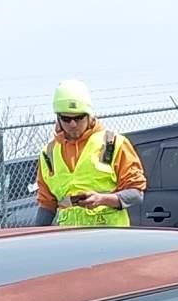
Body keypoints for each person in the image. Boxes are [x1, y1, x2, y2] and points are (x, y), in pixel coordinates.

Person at [34, 80, 146, 228]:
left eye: (79, 117)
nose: (73, 124)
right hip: (70, 240)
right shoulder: (48, 155)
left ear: (89, 115)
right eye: (66, 119)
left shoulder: (112, 143)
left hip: (110, 238)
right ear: (58, 118)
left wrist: (102, 199)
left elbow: (136, 194)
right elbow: (46, 205)